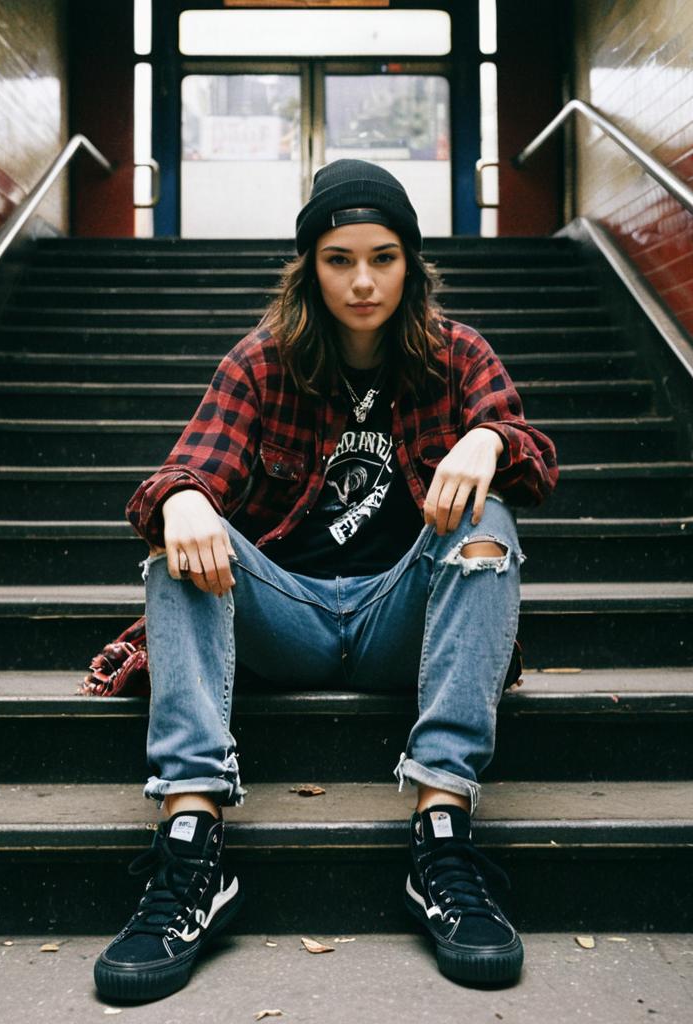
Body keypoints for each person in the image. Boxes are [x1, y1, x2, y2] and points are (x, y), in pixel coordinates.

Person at [91, 159, 558, 1002]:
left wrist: (489, 442)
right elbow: (175, 473)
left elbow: (533, 454)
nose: (364, 280)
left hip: (397, 620)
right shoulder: (263, 363)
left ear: (411, 263)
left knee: (489, 522)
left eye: (383, 256)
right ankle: (191, 842)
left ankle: (442, 832)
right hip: (289, 620)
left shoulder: (456, 357)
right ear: (309, 265)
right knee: (178, 539)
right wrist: (185, 500)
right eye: (340, 259)